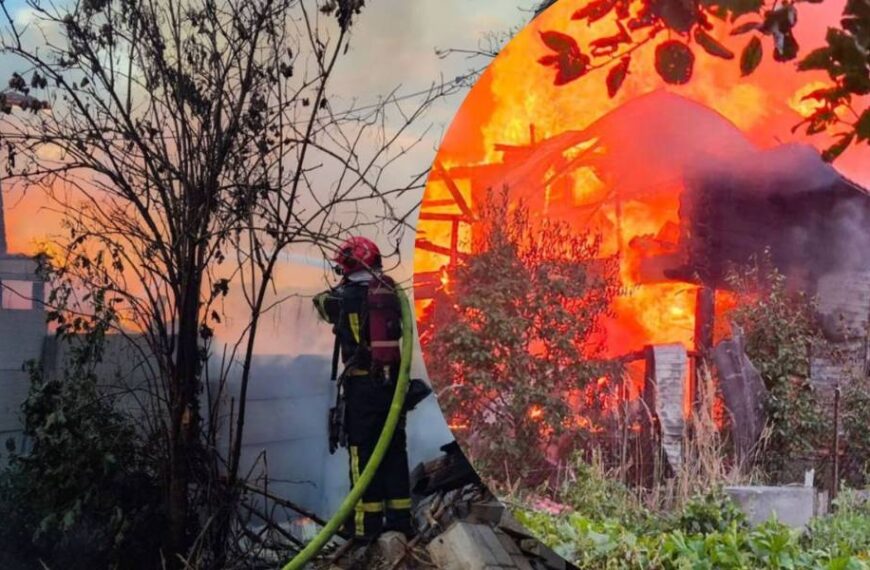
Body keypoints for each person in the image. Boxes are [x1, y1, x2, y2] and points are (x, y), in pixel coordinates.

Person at [312, 236, 414, 542]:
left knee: (362, 453)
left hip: (362, 386)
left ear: (349, 265)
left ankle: (364, 526)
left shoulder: (342, 298)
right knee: (394, 449)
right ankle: (399, 521)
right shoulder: (391, 294)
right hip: (392, 386)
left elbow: (319, 303)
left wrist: (340, 284)